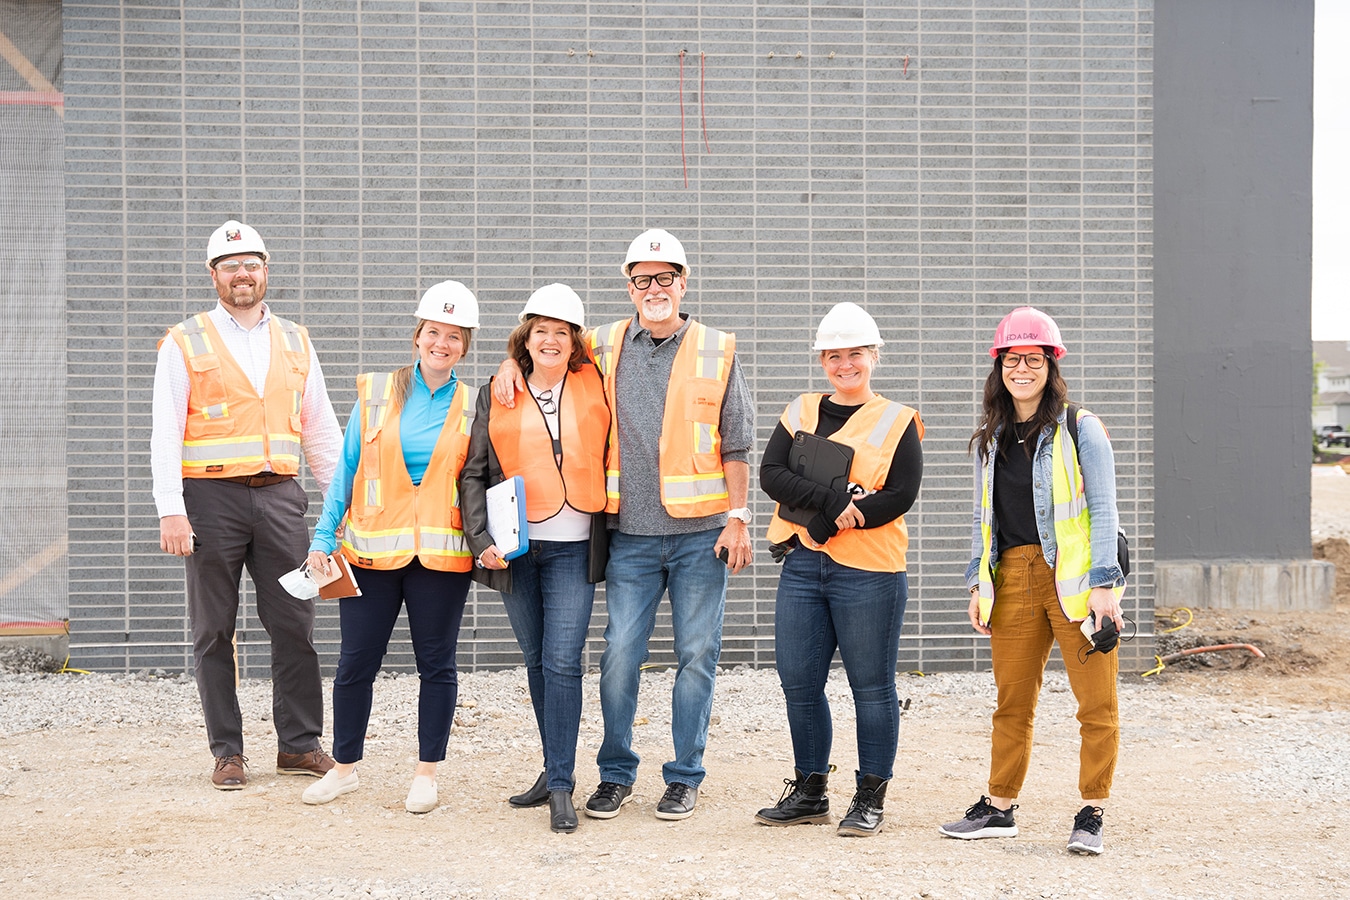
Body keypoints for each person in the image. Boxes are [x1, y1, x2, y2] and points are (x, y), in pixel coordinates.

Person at [494, 228, 755, 821]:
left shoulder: (717, 348)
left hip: (699, 535)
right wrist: (508, 363)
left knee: (696, 655)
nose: (654, 288)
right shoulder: (605, 343)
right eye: (643, 279)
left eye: (666, 277)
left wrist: (738, 517)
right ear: (630, 286)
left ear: (683, 283)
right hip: (630, 536)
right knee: (618, 656)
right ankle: (616, 774)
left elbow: (737, 441)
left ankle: (685, 775)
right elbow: (546, 350)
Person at [152, 219, 341, 790]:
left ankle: (299, 744)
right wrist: (171, 509)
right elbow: (165, 432)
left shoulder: (295, 340)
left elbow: (322, 434)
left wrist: (340, 514)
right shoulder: (184, 342)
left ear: (266, 272)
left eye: (252, 264)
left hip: (280, 498)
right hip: (209, 500)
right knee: (214, 630)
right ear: (213, 275)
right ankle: (227, 752)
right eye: (231, 266)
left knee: (295, 623)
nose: (243, 274)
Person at [938, 306, 1126, 855]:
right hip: (1012, 577)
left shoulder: (1080, 427)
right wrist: (978, 581)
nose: (1023, 368)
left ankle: (1092, 810)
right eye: (1013, 359)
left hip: (1073, 580)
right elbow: (984, 519)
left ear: (1051, 365)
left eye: (1034, 359)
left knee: (1096, 703)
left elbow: (1106, 510)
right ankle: (999, 808)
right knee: (1012, 702)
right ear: (999, 367)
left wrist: (1104, 586)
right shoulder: (990, 438)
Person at [298, 281, 479, 814]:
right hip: (371, 555)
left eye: (453, 336)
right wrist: (322, 538)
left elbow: (486, 479)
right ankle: (345, 769)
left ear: (465, 344)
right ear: (417, 335)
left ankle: (426, 774)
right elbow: (345, 470)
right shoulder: (377, 393)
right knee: (356, 663)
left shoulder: (476, 402)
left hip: (442, 561)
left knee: (437, 665)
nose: (441, 343)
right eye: (432, 332)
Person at [753, 303, 924, 837]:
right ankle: (810, 791)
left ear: (873, 356)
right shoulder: (800, 408)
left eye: (855, 354)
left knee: (871, 687)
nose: (844, 364)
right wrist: (835, 502)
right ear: (822, 361)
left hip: (870, 571)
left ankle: (870, 797)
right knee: (799, 683)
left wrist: (850, 515)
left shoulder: (898, 420)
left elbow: (900, 496)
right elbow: (771, 475)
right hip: (804, 565)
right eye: (834, 356)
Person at [461, 284, 611, 833]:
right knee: (536, 661)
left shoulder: (598, 378)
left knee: (563, 660)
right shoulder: (496, 391)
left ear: (576, 341)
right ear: (526, 336)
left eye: (562, 331)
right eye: (540, 330)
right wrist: (481, 543)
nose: (551, 340)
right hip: (517, 549)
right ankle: (553, 771)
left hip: (574, 547)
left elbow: (618, 341)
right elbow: (473, 472)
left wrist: (511, 357)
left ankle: (565, 785)